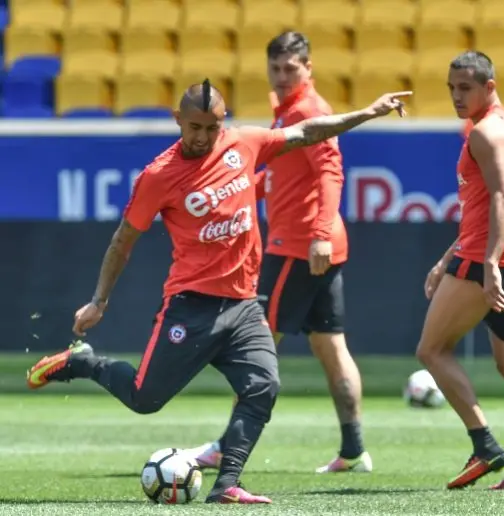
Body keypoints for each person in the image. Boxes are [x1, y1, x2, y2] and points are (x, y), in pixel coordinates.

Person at [25, 79, 411, 504]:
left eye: (212, 127)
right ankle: (82, 363)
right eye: (194, 127)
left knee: (263, 386)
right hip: (192, 307)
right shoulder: (159, 175)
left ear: (222, 123)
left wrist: (368, 113)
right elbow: (123, 240)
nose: (203, 137)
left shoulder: (243, 143)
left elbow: (308, 132)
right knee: (144, 398)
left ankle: (227, 483)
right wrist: (99, 300)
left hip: (244, 306)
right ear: (178, 120)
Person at [182, 31, 372, 475]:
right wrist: (247, 188)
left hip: (298, 247)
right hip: (316, 247)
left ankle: (228, 447)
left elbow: (330, 173)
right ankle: (353, 450)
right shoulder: (288, 111)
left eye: (292, 69)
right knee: (332, 348)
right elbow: (285, 176)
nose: (284, 77)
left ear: (309, 69)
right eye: (277, 69)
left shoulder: (308, 110)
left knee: (251, 345)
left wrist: (320, 232)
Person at [414, 51, 504, 491]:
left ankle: (484, 443)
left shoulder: (484, 134)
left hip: (487, 261)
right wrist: (445, 259)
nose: (455, 95)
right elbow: (486, 208)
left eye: (465, 88)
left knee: (431, 351)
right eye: (451, 87)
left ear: (489, 86)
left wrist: (486, 263)